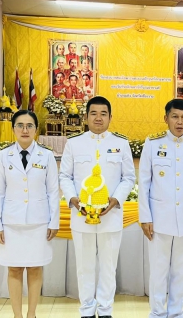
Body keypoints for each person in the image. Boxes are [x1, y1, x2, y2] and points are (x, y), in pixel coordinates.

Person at [59, 96, 136, 318]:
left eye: (103, 113)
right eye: (94, 113)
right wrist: (73, 199)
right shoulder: (74, 143)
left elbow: (128, 177)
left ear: (110, 117)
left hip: (110, 216)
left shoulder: (120, 144)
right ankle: (86, 310)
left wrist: (116, 199)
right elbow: (65, 175)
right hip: (81, 215)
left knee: (108, 266)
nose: (98, 118)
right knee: (84, 266)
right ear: (86, 117)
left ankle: (104, 311)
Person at [139, 99, 183, 318]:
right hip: (158, 219)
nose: (179, 122)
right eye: (175, 116)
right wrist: (145, 216)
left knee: (181, 270)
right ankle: (157, 313)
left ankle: (177, 312)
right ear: (166, 119)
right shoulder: (152, 143)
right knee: (159, 271)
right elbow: (144, 182)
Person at [0, 110, 60, 318]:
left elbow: (53, 191)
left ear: (36, 129)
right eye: (20, 125)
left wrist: (53, 221)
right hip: (11, 223)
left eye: (29, 125)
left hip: (39, 222)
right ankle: (17, 315)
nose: (24, 130)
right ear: (13, 129)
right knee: (14, 269)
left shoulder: (46, 156)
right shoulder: (3, 156)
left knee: (35, 268)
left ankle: (31, 314)